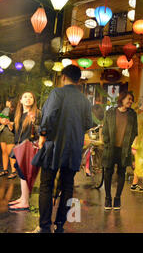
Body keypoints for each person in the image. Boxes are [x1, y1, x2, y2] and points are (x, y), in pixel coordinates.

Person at [32, 65, 93, 233]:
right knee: (67, 186)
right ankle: (60, 226)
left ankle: (45, 226)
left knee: (46, 185)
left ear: (63, 77)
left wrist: (43, 133)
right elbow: (88, 124)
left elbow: (49, 116)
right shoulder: (85, 100)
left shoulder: (57, 93)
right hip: (74, 148)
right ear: (78, 80)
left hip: (54, 146)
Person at [102, 91, 138, 211]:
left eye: (131, 100)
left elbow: (135, 131)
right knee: (108, 173)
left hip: (124, 149)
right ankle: (107, 199)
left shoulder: (133, 115)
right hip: (110, 148)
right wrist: (107, 142)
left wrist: (129, 143)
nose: (130, 101)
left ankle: (117, 199)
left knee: (121, 173)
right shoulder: (110, 112)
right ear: (121, 99)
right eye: (129, 99)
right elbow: (105, 129)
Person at [8, 92, 41, 211]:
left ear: (34, 100)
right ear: (20, 100)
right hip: (19, 146)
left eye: (31, 97)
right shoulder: (19, 114)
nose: (28, 99)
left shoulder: (36, 113)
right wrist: (10, 126)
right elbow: (17, 133)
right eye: (25, 97)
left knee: (25, 172)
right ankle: (23, 197)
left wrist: (34, 122)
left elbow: (40, 131)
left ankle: (25, 201)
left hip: (28, 147)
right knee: (21, 172)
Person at [0, 98, 17, 179]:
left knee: (11, 153)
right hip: (3, 131)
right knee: (4, 152)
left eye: (8, 101)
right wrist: (1, 120)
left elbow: (17, 122)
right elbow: (0, 117)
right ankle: (5, 169)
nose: (6, 102)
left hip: (10, 133)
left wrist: (9, 122)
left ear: (11, 102)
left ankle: (14, 171)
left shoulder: (16, 111)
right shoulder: (5, 110)